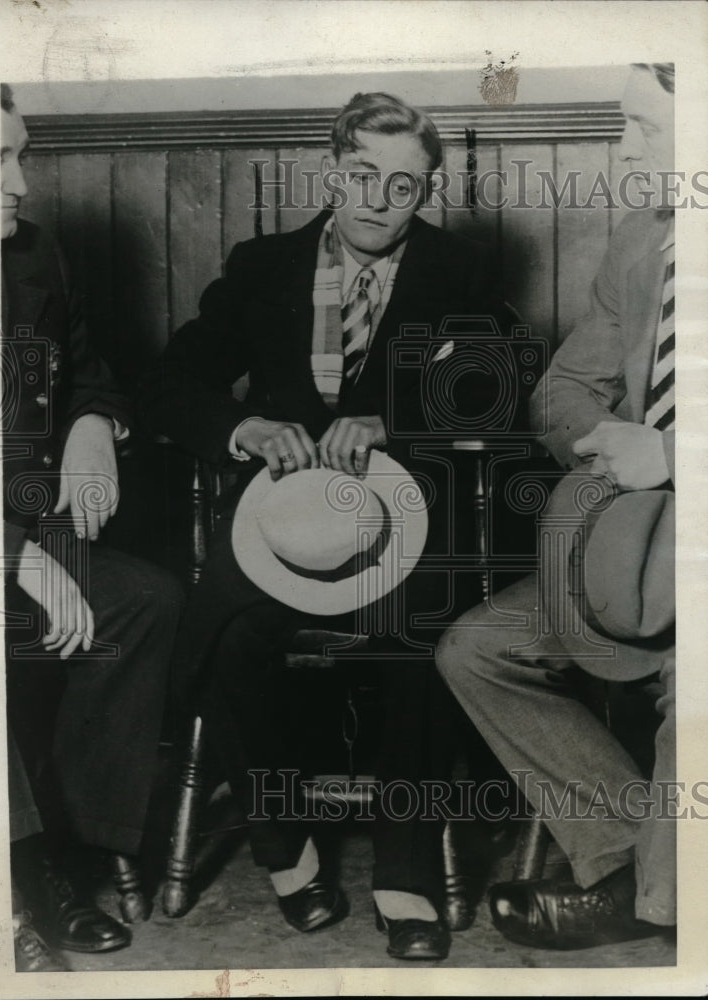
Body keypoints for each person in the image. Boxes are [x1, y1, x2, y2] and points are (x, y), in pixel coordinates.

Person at [140, 92, 510, 961]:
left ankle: (407, 872)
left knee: (426, 634)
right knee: (226, 633)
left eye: (405, 186)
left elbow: (494, 404)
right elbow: (168, 384)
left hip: (406, 529)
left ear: (427, 194)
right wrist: (243, 430)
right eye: (361, 176)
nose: (380, 200)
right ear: (328, 169)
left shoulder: (459, 271)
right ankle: (284, 846)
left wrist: (395, 425)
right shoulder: (263, 265)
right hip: (284, 531)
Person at [436, 63, 677, 948]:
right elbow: (560, 393)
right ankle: (631, 861)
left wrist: (675, 452)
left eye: (645, 127)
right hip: (644, 551)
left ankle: (654, 899)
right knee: (479, 648)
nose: (624, 150)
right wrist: (612, 444)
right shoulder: (644, 242)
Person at [0, 83, 184, 969]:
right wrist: (8, 560)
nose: (20, 183)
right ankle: (17, 879)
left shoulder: (36, 256)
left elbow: (93, 374)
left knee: (139, 599)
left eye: (20, 156)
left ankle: (66, 846)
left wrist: (91, 425)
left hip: (21, 521)